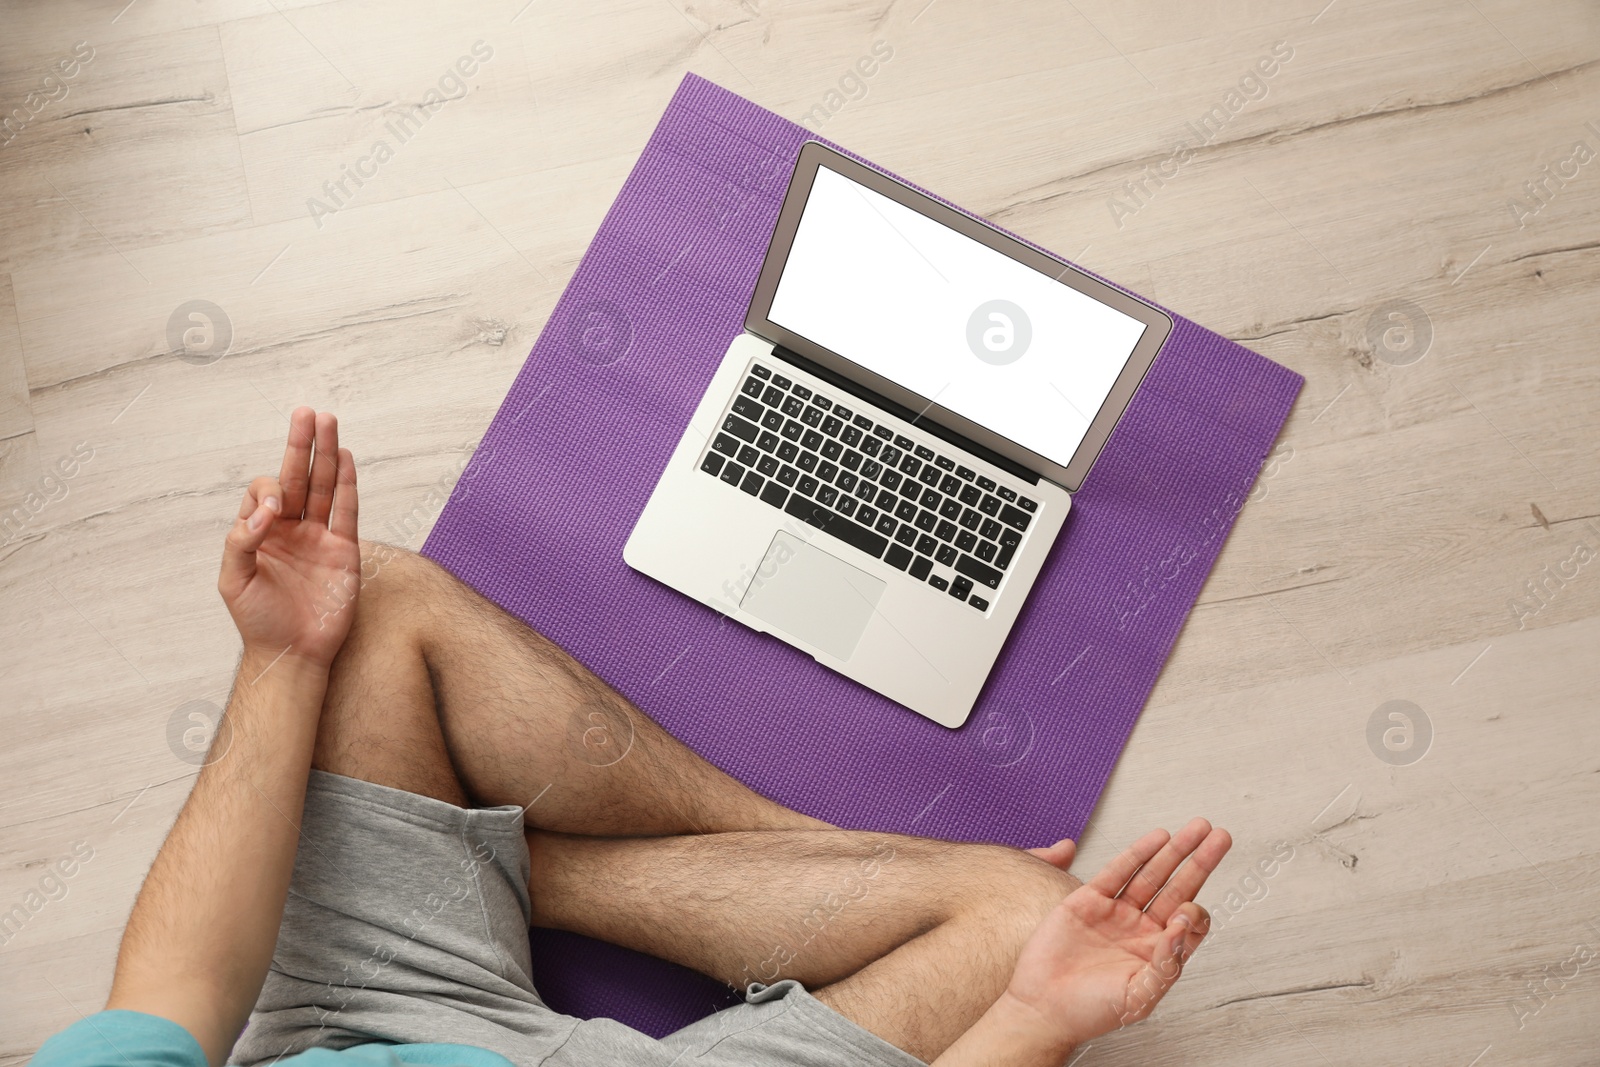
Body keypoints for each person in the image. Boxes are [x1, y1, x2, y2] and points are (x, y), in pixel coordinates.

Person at [32, 409, 1231, 1067]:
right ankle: (504, 864)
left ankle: (546, 867)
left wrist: (279, 656)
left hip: (354, 1018)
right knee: (1023, 926)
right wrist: (1034, 1022)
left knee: (369, 608)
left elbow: (177, 989)